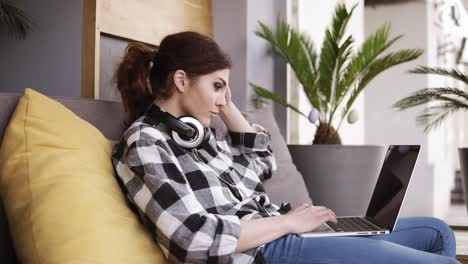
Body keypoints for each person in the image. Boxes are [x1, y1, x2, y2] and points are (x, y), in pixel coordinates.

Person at [111, 31, 460, 264]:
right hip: (269, 250)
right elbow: (192, 238)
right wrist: (290, 223)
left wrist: (226, 104)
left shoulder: (198, 135)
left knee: (436, 232)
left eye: (225, 89)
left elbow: (262, 161)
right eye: (216, 86)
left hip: (285, 233)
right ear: (181, 80)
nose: (221, 100)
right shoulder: (146, 143)